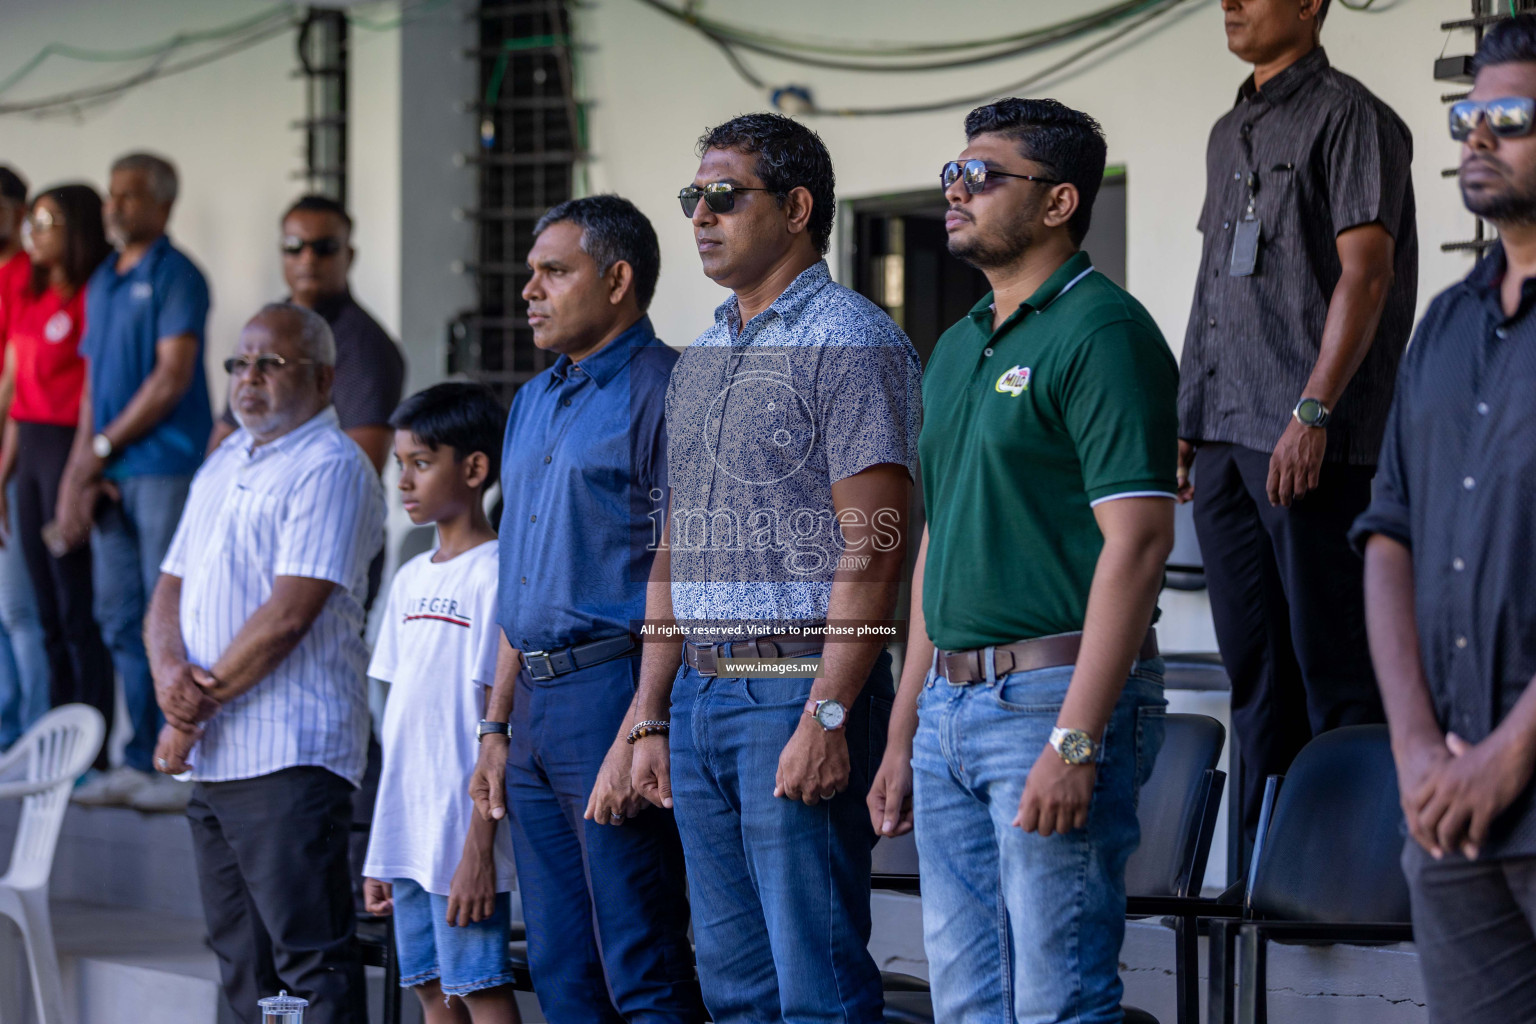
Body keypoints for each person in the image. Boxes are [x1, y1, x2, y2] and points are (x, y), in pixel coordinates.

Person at [867, 98, 1177, 1023]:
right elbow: (938, 543)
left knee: (1058, 1000)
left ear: (1058, 202)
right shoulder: (958, 345)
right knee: (967, 1001)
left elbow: (1142, 540)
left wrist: (1076, 738)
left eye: (984, 174)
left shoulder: (1104, 333)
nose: (955, 189)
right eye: (952, 173)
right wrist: (902, 729)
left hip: (1050, 698)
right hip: (949, 711)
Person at [628, 113, 921, 1023]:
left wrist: (829, 712)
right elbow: (675, 536)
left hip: (794, 684)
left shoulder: (852, 339)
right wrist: (649, 711)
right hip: (704, 692)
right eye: (694, 199)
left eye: (725, 196)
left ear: (796, 208)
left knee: (815, 983)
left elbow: (875, 543)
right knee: (733, 986)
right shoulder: (703, 353)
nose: (701, 217)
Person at [1176, 0, 1417, 844]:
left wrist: (1312, 410)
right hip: (1223, 437)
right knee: (1257, 679)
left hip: (1314, 444)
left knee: (1337, 679)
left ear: (1313, 3)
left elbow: (1368, 274)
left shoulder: (1353, 116)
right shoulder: (1224, 131)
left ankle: (1350, 895)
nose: (1230, 4)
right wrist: (1186, 413)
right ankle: (1259, 891)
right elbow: (1215, 279)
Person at [467, 195, 703, 1023]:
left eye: (553, 272)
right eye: (530, 273)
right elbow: (518, 582)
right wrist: (495, 730)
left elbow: (685, 570)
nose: (529, 290)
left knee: (639, 960)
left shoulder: (669, 390)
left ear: (617, 279)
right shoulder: (532, 401)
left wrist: (644, 722)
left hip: (616, 693)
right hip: (529, 707)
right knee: (562, 970)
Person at [1353, 16, 1536, 1022]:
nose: (1476, 135)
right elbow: (1391, 532)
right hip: (1450, 818)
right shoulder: (1446, 323)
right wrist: (1417, 749)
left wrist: (1511, 753)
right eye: (1470, 114)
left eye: (1508, 116)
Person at [146, 303, 384, 1024]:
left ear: (322, 377)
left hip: (288, 757)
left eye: (269, 364)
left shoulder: (331, 466)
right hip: (216, 756)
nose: (248, 379)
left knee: (306, 965)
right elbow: (168, 588)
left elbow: (288, 616)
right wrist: (168, 684)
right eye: (239, 364)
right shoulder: (225, 458)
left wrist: (189, 709)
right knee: (240, 964)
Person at [57, 153, 212, 811]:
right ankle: (138, 755)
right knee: (118, 612)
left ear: (164, 206)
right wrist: (81, 465)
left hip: (165, 467)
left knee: (165, 614)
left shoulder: (177, 276)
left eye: (130, 195)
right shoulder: (103, 284)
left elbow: (171, 378)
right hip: (112, 470)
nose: (115, 205)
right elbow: (93, 384)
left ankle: (178, 759)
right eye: (112, 194)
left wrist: (103, 446)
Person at [362, 382, 520, 1024]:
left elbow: (496, 724)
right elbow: (396, 727)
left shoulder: (497, 570)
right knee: (431, 990)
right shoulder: (408, 577)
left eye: (421, 463)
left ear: (475, 468)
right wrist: (380, 849)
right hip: (407, 831)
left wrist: (480, 847)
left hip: (461, 833)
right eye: (400, 464)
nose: (404, 480)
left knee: (479, 988)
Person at [0, 184, 115, 768]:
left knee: (77, 609)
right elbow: (16, 392)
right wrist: (2, 472)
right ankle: (49, 744)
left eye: (47, 221)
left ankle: (89, 754)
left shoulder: (95, 295)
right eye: (34, 221)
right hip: (31, 450)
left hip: (72, 450)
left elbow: (96, 390)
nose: (34, 232)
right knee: (43, 610)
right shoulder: (32, 293)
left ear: (76, 229)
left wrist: (83, 471)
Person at [207, 195, 404, 478]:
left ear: (348, 256)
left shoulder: (364, 344)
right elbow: (224, 436)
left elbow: (359, 469)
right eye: (294, 247)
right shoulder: (266, 327)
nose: (308, 258)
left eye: (324, 248)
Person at [0, 165, 50, 748]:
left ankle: (35, 738)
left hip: (17, 455)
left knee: (21, 610)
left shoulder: (26, 277)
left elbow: (17, 380)